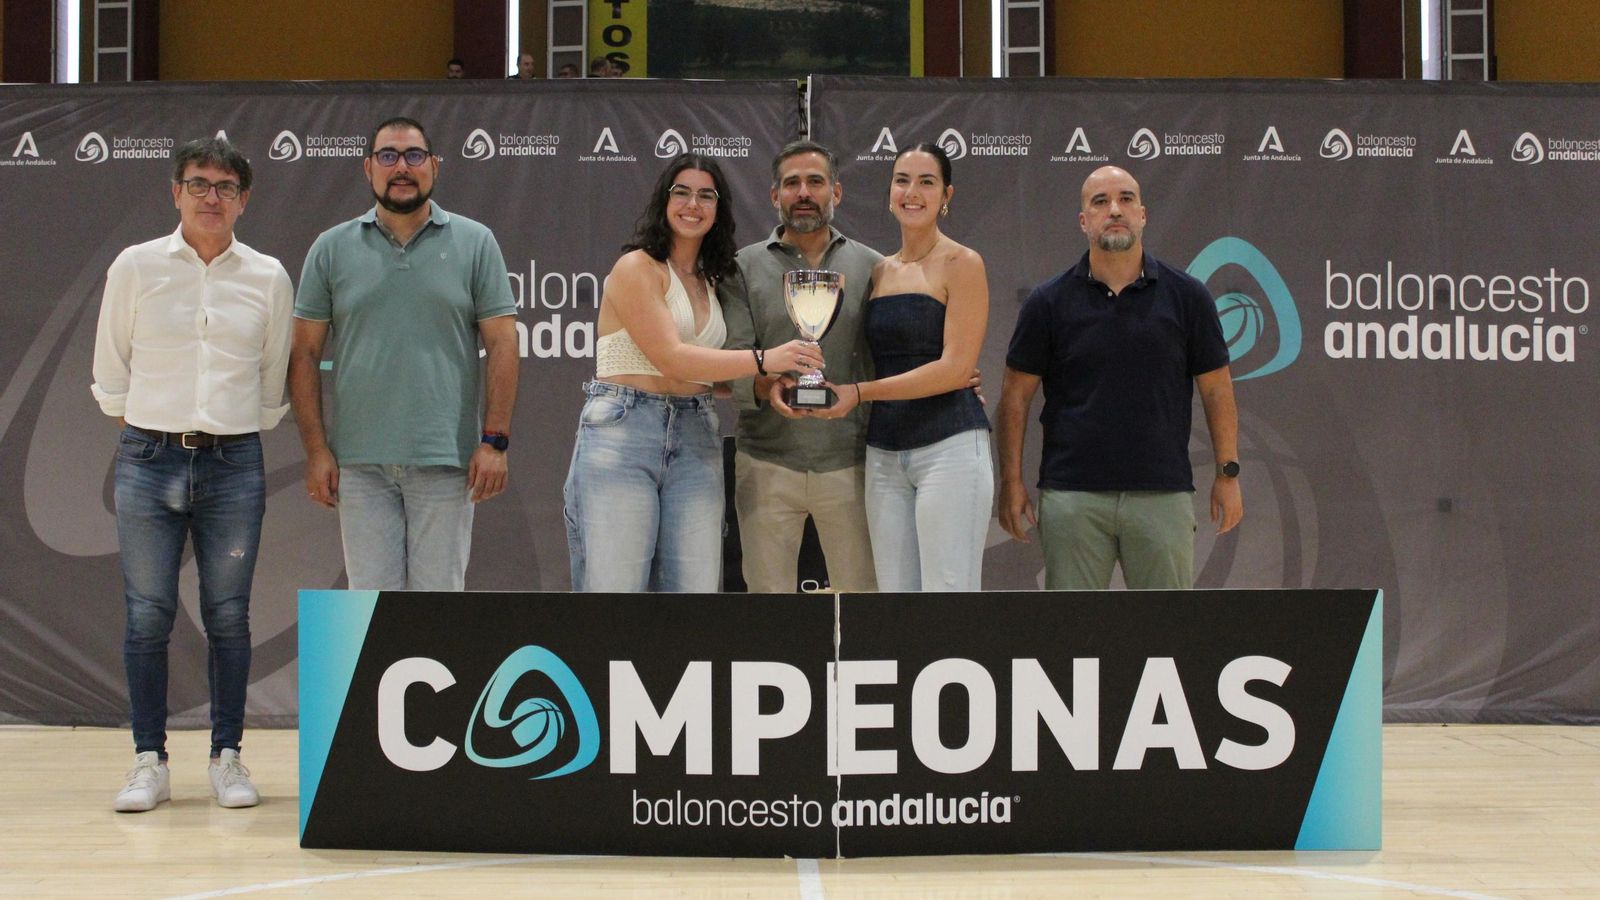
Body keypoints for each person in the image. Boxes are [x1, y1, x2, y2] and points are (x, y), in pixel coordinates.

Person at [91, 137, 292, 812]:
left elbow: (273, 376)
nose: (212, 197)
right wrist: (147, 425)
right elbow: (111, 368)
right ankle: (148, 760)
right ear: (175, 191)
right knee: (147, 615)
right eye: (199, 184)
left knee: (229, 615)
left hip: (234, 460)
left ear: (244, 200)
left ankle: (226, 756)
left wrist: (236, 427)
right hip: (147, 457)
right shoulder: (135, 266)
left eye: (226, 188)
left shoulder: (267, 275)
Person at [563, 153, 820, 593]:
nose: (692, 204)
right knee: (614, 596)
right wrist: (765, 359)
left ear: (718, 209)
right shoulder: (636, 267)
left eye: (706, 195)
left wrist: (763, 383)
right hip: (624, 433)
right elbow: (674, 359)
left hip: (696, 432)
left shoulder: (712, 280)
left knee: (694, 598)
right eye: (681, 192)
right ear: (664, 201)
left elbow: (704, 375)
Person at [290, 116, 518, 592]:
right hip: (359, 465)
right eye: (388, 156)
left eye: (414, 156)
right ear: (367, 168)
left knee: (438, 617)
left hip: (447, 463)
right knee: (371, 618)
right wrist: (316, 451)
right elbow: (304, 355)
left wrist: (494, 440)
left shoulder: (476, 242)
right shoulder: (330, 249)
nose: (402, 167)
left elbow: (502, 343)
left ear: (434, 166)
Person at [996, 165, 1242, 590]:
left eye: (1126, 199)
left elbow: (1217, 390)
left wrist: (1228, 474)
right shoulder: (1047, 302)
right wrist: (1012, 482)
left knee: (1165, 644)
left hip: (1162, 496)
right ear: (1083, 221)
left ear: (1143, 214)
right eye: (1100, 201)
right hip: (1072, 498)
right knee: (1072, 644)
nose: (1115, 209)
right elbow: (1015, 399)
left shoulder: (1188, 297)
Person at [811, 143, 992, 592]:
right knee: (894, 603)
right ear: (890, 191)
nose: (912, 192)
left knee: (948, 598)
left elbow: (954, 370)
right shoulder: (878, 273)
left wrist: (859, 393)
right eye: (902, 180)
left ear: (946, 195)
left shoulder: (962, 263)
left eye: (926, 182)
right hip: (884, 455)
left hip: (950, 448)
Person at [720, 141, 881, 593]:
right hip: (766, 460)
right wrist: (766, 384)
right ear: (775, 196)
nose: (804, 192)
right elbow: (733, 357)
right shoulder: (743, 267)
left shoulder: (873, 267)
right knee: (769, 616)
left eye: (816, 181)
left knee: (863, 606)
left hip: (852, 463)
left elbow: (891, 357)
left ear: (837, 192)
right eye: (792, 183)